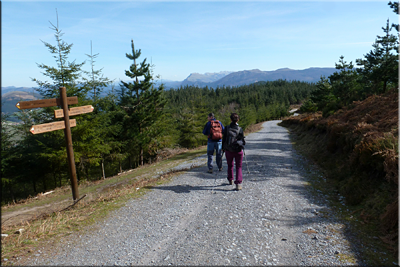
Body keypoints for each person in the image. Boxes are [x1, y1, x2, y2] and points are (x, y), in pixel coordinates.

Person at [222, 113, 246, 190]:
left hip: (228, 150)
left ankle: (230, 179)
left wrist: (223, 148)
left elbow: (224, 139)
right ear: (238, 120)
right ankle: (238, 184)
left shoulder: (226, 128)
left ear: (231, 119)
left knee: (230, 165)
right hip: (238, 150)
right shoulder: (240, 129)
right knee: (238, 166)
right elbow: (242, 140)